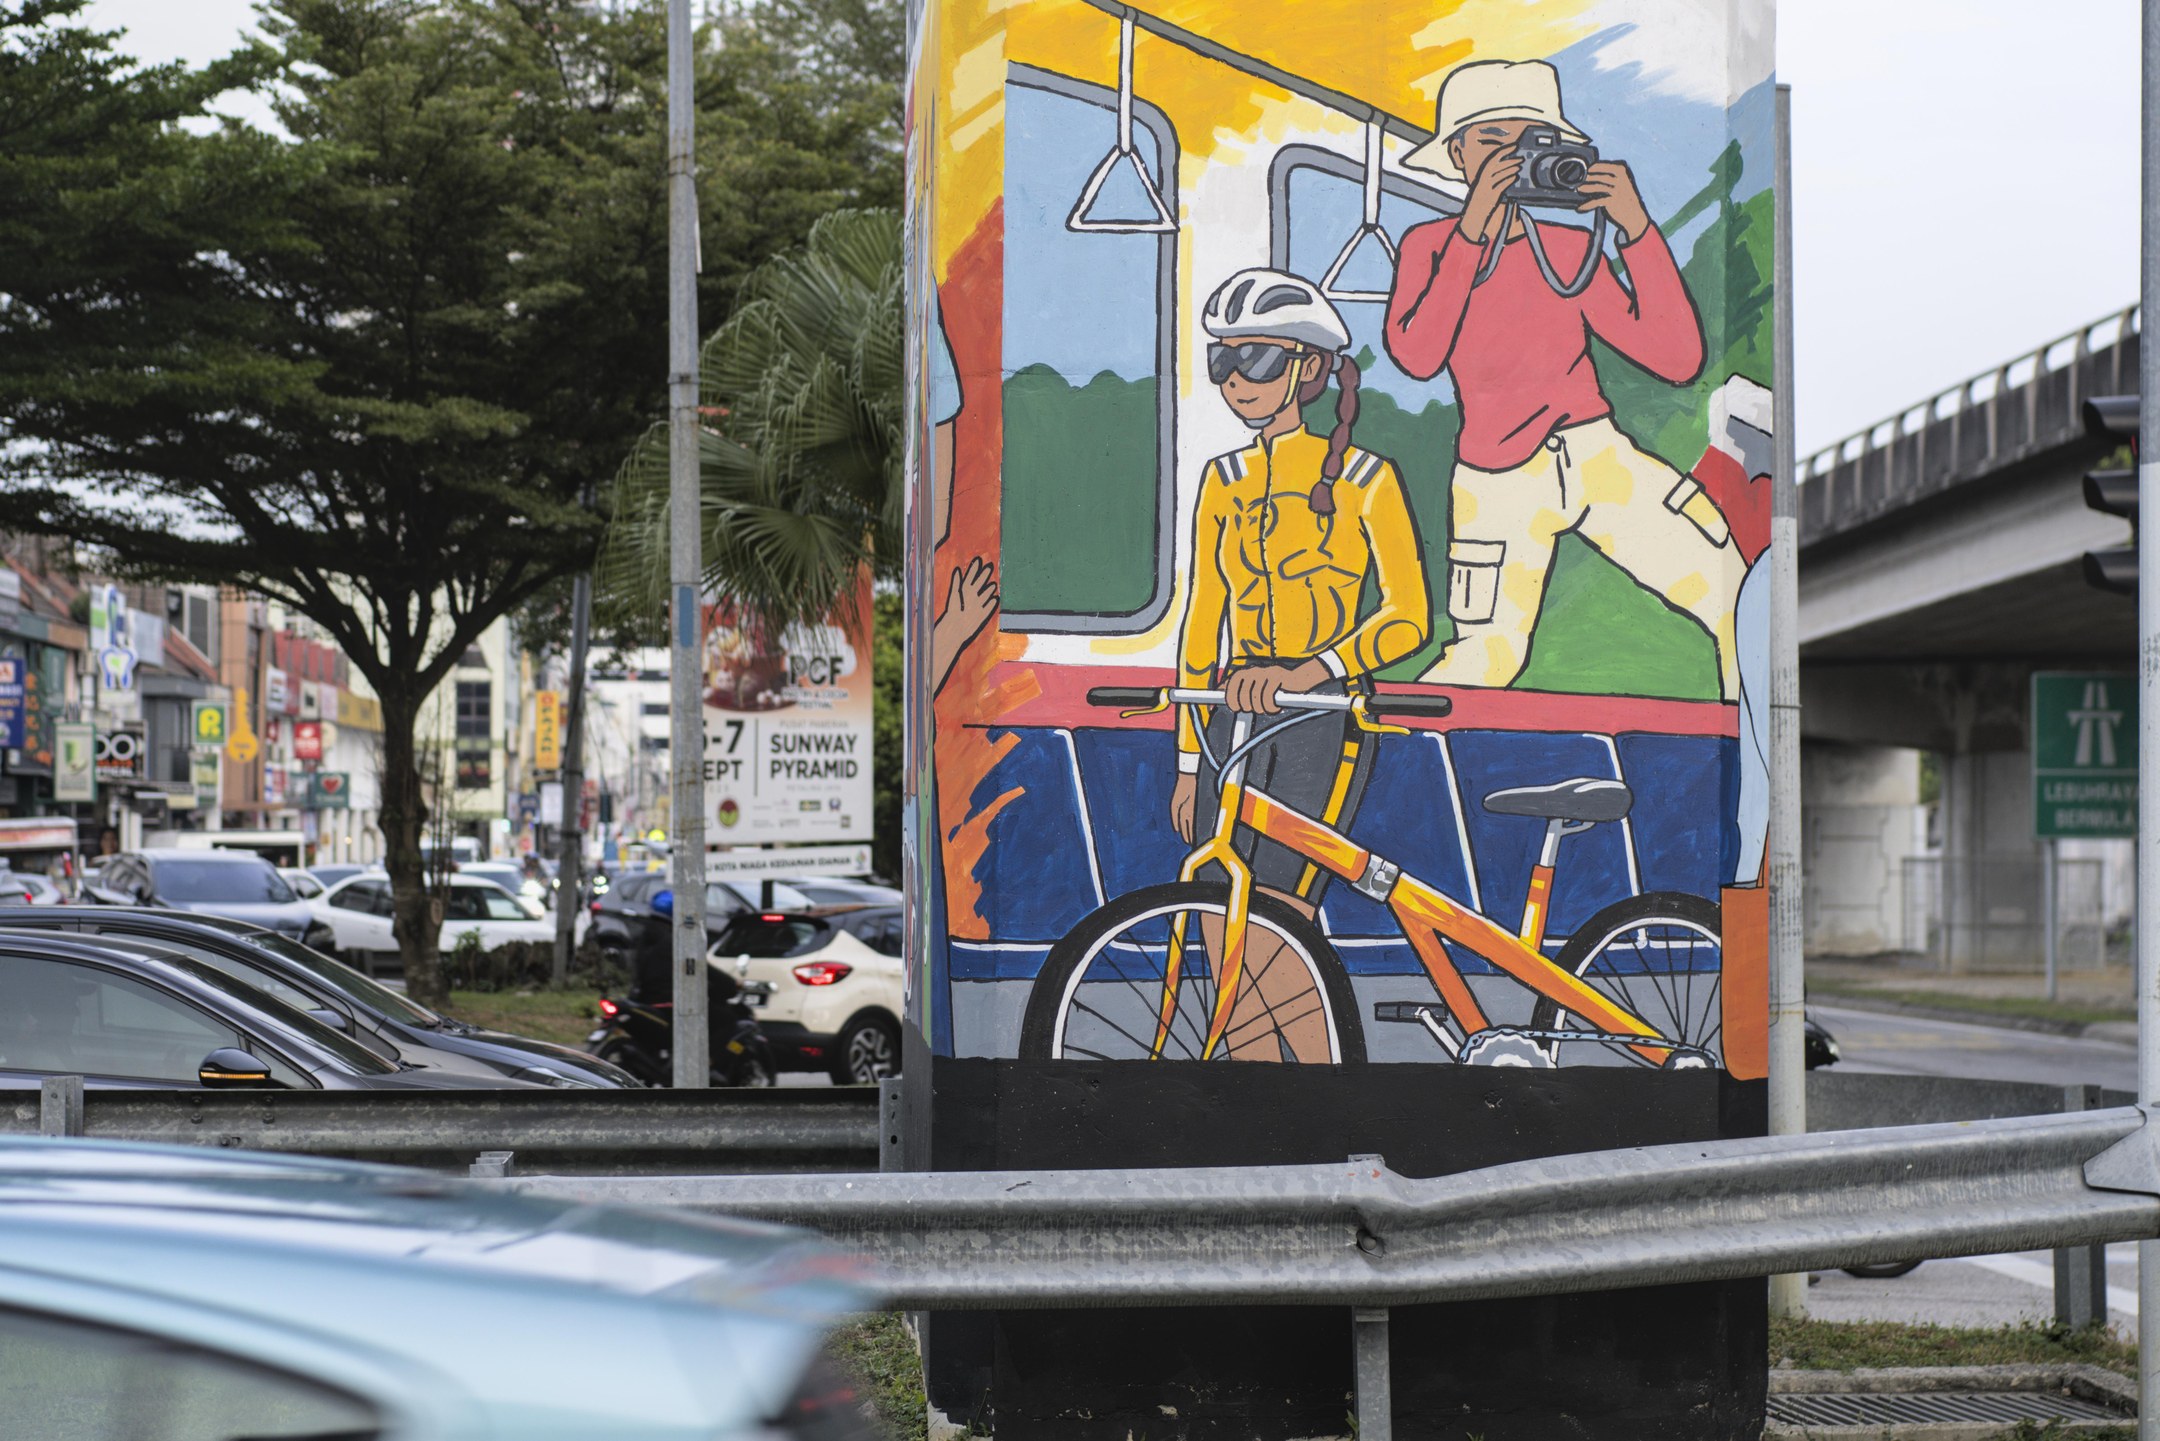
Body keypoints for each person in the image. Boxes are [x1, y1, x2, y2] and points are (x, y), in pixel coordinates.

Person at [1386, 59, 1742, 698]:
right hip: (1495, 480)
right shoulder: (1429, 245)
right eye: (1493, 141)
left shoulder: (1572, 246)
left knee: (1733, 594)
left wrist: (1635, 228)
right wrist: (1473, 230)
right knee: (1485, 657)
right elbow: (1417, 354)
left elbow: (1678, 357)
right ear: (1458, 154)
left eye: (1528, 143)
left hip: (1597, 455)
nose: (1511, 159)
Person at [1172, 269, 1429, 1058]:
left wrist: (1311, 671)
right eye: (1223, 363)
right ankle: (1259, 1098)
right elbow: (1201, 619)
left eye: (1256, 361)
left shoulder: (1365, 479)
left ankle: (1322, 1086)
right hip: (1230, 712)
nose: (1236, 381)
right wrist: (1187, 757)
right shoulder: (1221, 480)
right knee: (1218, 903)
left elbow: (1409, 617)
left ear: (1310, 370)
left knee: (1282, 909)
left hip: (1324, 717)